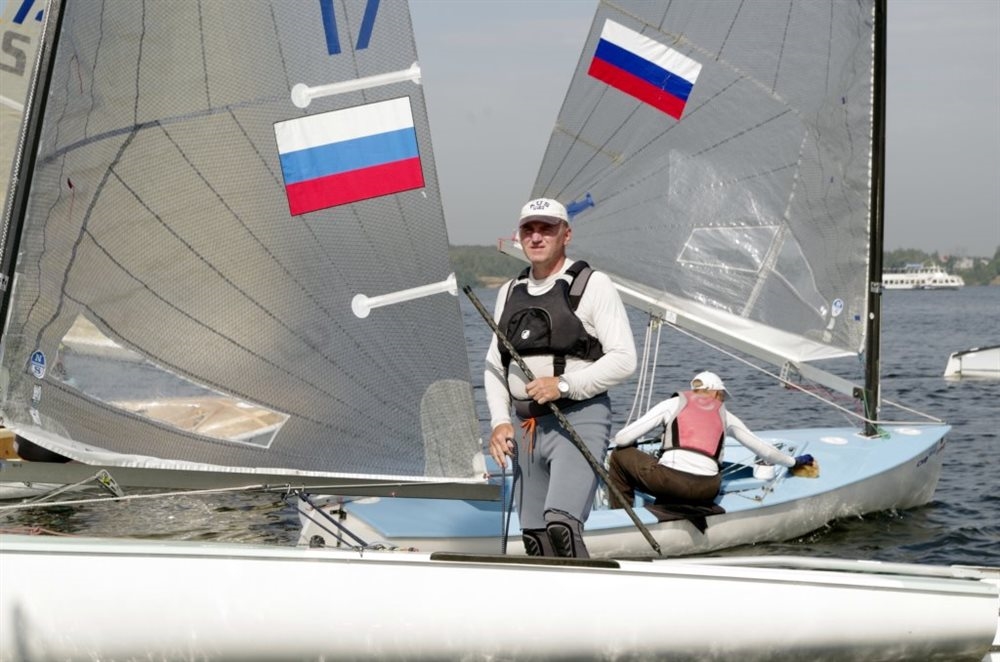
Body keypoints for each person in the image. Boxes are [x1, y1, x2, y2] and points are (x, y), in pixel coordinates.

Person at [484, 197, 636, 558]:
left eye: (546, 229)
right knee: (536, 539)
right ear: (519, 236)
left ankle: (592, 593)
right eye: (528, 229)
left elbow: (625, 359)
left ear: (566, 234)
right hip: (526, 429)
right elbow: (494, 365)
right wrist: (499, 421)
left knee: (561, 526)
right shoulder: (509, 291)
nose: (536, 237)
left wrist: (564, 385)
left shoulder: (593, 284)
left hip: (578, 418)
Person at [606, 371, 815, 509]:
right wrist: (795, 462)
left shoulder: (672, 404)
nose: (722, 400)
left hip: (670, 483)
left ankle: (622, 516)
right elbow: (766, 451)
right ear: (715, 392)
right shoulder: (726, 416)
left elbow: (622, 438)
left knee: (619, 455)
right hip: (706, 490)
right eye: (722, 396)